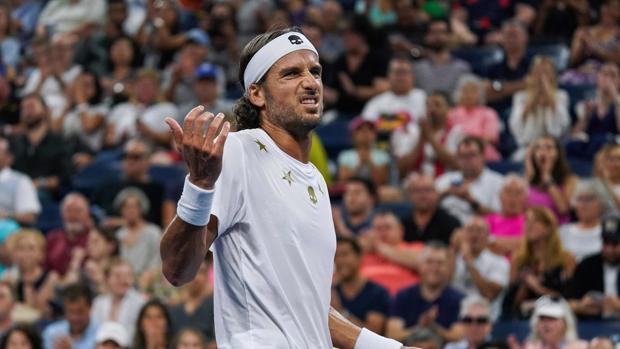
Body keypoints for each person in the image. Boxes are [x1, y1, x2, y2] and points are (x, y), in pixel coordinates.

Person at [160, 27, 416, 348]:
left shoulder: (318, 183)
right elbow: (176, 270)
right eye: (291, 74)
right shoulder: (240, 151)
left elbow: (308, 311)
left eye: (315, 71)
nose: (310, 82)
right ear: (257, 94)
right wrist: (199, 186)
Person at [504, 207, 576, 319]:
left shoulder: (566, 259)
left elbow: (569, 299)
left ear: (548, 228)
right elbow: (509, 303)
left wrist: (537, 288)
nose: (529, 225)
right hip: (522, 318)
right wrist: (524, 287)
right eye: (527, 221)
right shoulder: (518, 260)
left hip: (556, 318)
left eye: (535, 221)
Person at [386, 242, 464, 343]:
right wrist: (420, 327)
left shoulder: (459, 299)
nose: (434, 268)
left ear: (449, 267)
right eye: (429, 262)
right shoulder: (403, 296)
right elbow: (392, 334)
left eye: (440, 263)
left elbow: (458, 337)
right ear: (420, 265)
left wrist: (433, 327)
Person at [509, 57, 570, 161]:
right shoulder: (520, 97)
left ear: (553, 75)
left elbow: (563, 126)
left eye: (546, 72)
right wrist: (531, 101)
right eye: (538, 72)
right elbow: (515, 126)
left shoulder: (561, 96)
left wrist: (550, 98)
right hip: (527, 148)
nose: (542, 77)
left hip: (552, 148)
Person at [92, 139, 165, 227]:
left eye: (136, 157)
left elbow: (158, 222)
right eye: (126, 156)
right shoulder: (107, 185)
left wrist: (122, 222)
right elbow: (94, 211)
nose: (130, 161)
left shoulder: (157, 190)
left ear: (148, 160)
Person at [10, 94, 71, 198]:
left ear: (45, 110)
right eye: (23, 108)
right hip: (15, 193)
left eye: (31, 106)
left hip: (45, 194)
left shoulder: (59, 142)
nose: (27, 111)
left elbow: (64, 177)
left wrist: (41, 183)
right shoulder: (15, 143)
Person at [451, 217, 510, 320]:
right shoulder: (453, 259)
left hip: (485, 319)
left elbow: (489, 294)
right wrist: (453, 251)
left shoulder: (499, 262)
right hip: (454, 316)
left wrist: (469, 261)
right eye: (470, 230)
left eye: (479, 231)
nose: (474, 235)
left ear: (488, 237)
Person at [436, 136, 504, 224]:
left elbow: (500, 218)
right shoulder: (444, 180)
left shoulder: (498, 182)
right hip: (445, 231)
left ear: (482, 156)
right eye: (463, 156)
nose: (467, 160)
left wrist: (470, 200)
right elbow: (424, 208)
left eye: (472, 155)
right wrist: (445, 193)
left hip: (480, 232)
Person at [332, 237, 391, 335]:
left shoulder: (378, 293)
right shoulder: (332, 291)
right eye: (335, 256)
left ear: (359, 257)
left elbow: (373, 334)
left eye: (344, 254)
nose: (339, 261)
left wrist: (341, 312)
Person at [394, 91, 459, 179]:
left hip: (445, 181)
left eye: (437, 105)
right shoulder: (411, 131)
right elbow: (402, 169)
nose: (431, 109)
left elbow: (456, 164)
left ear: (449, 109)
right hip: (415, 183)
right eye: (428, 105)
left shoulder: (456, 132)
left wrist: (430, 137)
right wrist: (421, 139)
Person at [568, 215, 620, 319]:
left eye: (615, 244)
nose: (609, 250)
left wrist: (616, 304)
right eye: (606, 243)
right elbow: (569, 302)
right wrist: (581, 306)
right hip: (592, 324)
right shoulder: (587, 265)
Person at [359, 212, 423, 295]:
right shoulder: (363, 253)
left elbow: (421, 263)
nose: (382, 232)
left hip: (405, 300)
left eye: (387, 227)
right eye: (378, 229)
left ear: (401, 230)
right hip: (368, 301)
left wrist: (378, 246)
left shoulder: (415, 247)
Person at [568, 63, 620, 160]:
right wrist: (586, 116)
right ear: (598, 78)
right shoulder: (588, 102)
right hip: (591, 143)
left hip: (613, 144)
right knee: (570, 146)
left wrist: (615, 98)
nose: (608, 79)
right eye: (605, 74)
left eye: (613, 75)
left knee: (601, 141)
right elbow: (574, 134)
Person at [360, 57, 427, 129]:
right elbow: (365, 129)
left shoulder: (423, 98)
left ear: (413, 77)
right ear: (389, 76)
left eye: (404, 72)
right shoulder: (376, 103)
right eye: (397, 72)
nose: (401, 77)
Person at [525, 136, 578, 225]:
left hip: (558, 230)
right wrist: (529, 175)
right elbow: (518, 209)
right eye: (538, 148)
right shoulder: (526, 179)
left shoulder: (570, 179)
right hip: (530, 229)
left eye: (548, 148)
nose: (543, 152)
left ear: (558, 153)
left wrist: (547, 177)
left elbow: (563, 209)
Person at [447, 75, 501, 161]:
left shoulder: (488, 113)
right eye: (465, 91)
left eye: (472, 91)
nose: (468, 94)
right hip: (455, 156)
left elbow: (489, 138)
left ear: (480, 94)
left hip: (484, 155)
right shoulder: (452, 113)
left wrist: (469, 150)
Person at [413, 18, 471, 96]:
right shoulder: (417, 69)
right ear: (426, 37)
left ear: (450, 36)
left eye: (442, 32)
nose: (437, 36)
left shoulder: (463, 68)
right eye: (433, 32)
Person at [90, 259, 146, 339]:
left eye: (128, 276)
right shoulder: (98, 302)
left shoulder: (140, 303)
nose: (123, 280)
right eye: (117, 276)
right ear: (107, 278)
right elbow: (94, 332)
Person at [113, 188, 161, 276]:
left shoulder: (153, 232)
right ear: (121, 210)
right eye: (126, 207)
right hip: (124, 280)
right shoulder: (119, 235)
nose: (130, 210)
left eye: (134, 207)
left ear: (141, 208)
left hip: (150, 279)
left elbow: (157, 260)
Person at [401, 173, 461, 244]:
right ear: (409, 195)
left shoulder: (451, 223)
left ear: (437, 194)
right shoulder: (401, 224)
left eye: (428, 190)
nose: (423, 195)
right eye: (417, 191)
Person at [168, 255, 215, 344]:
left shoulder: (214, 306)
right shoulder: (174, 309)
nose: (195, 278)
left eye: (200, 272)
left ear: (206, 276)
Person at [560, 180, 608, 262]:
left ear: (602, 204)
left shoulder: (608, 232)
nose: (583, 204)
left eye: (589, 199)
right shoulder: (562, 231)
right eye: (579, 199)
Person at [45, 193, 92, 277]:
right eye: (69, 210)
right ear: (62, 214)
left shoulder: (95, 238)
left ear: (87, 213)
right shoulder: (52, 238)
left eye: (78, 211)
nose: (73, 215)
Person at [42, 283, 98, 349]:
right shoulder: (51, 332)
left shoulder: (100, 335)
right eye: (70, 312)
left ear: (90, 308)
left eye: (80, 312)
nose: (75, 317)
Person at [0, 135, 41, 226]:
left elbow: (30, 216)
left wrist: (6, 215)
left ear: (9, 158)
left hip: (7, 231)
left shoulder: (21, 181)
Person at [518, 296, 587, 349]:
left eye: (552, 318)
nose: (546, 324)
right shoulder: (529, 347)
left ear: (565, 323)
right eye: (542, 318)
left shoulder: (582, 347)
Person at [337, 118, 390, 186]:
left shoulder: (383, 156)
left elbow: (382, 182)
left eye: (370, 129)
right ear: (353, 135)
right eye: (360, 129)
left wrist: (369, 163)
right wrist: (360, 165)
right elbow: (343, 181)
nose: (365, 132)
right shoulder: (345, 155)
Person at [485, 175, 528, 257]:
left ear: (526, 198)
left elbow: (530, 245)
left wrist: (492, 242)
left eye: (518, 193)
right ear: (500, 196)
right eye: (508, 192)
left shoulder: (530, 221)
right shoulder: (487, 220)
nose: (513, 198)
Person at [595, 143, 620, 213]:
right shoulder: (594, 185)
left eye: (618, 159)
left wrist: (605, 181)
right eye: (610, 159)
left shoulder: (604, 183)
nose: (615, 164)